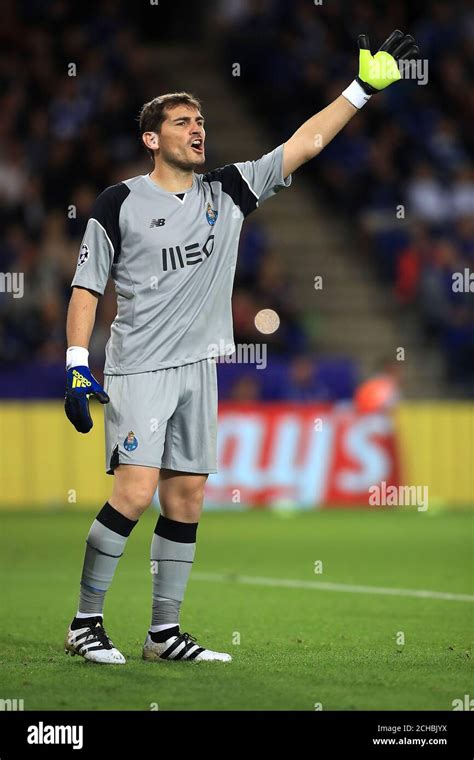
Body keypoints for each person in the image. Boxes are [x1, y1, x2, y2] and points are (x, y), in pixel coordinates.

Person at [64, 31, 420, 664]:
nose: (197, 129)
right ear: (153, 139)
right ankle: (85, 622)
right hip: (140, 367)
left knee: (187, 498)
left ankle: (162, 635)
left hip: (200, 369)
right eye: (182, 122)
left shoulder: (226, 192)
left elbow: (304, 145)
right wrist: (75, 364)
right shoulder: (117, 204)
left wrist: (360, 90)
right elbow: (87, 288)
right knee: (135, 492)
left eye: (201, 120)